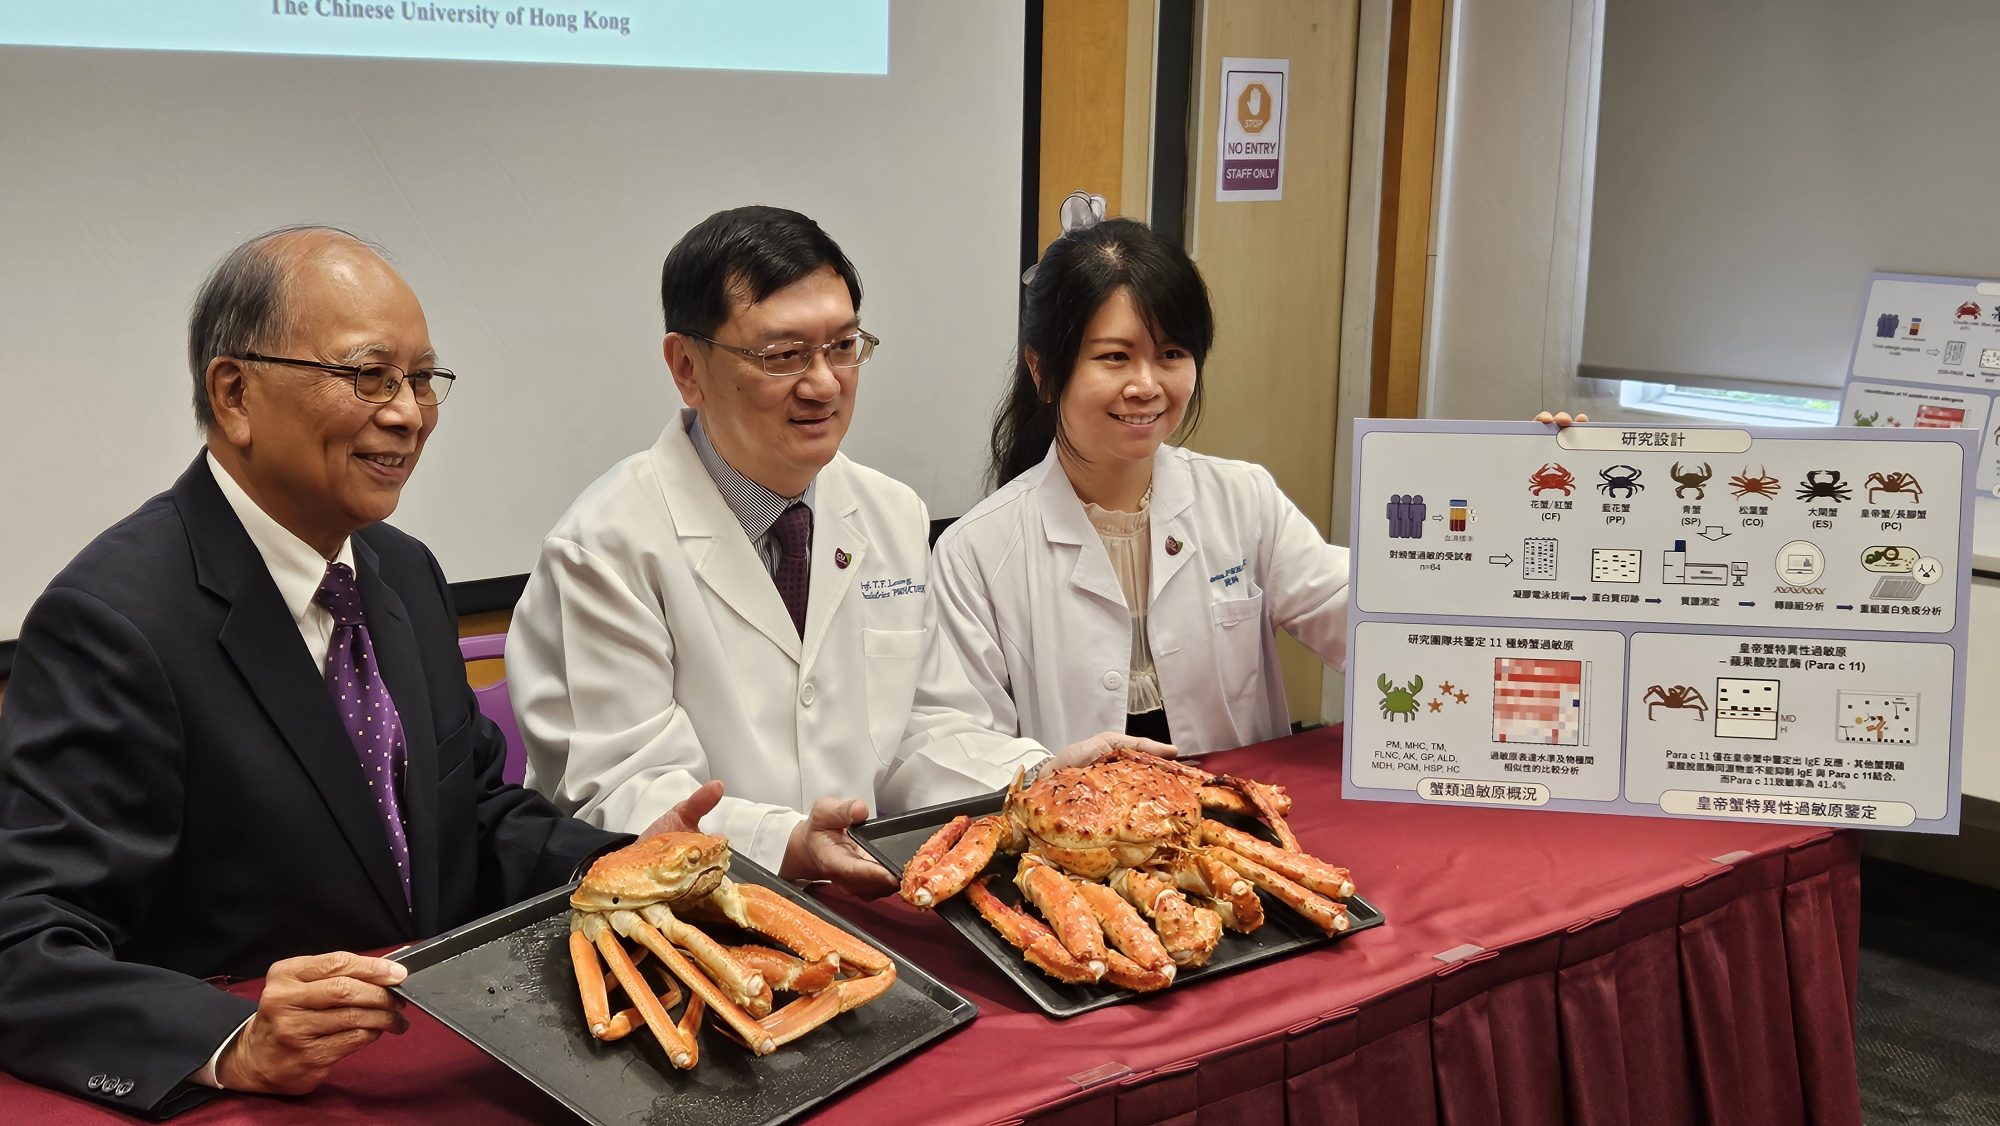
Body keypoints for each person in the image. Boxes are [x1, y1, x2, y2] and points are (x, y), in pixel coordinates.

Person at [0, 226, 716, 1116]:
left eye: (422, 380)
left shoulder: (400, 571)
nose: (408, 413)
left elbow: (474, 823)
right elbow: (26, 945)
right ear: (235, 394)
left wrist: (620, 864)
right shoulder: (113, 623)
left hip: (448, 1062)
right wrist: (232, 1041)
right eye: (369, 375)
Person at [508, 206, 1159, 896]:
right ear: (686, 367)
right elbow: (620, 790)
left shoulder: (889, 513)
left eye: (843, 346)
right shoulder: (605, 546)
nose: (823, 384)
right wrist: (783, 842)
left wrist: (1040, 774)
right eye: (783, 355)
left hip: (862, 905)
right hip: (684, 918)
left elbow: (916, 731)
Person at [931, 215, 1585, 755]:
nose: (1147, 385)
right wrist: (1049, 769)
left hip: (1234, 847)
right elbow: (950, 744)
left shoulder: (1242, 500)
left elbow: (1375, 616)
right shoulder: (977, 552)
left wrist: (1524, 515)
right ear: (1044, 371)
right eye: (1114, 357)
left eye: (1171, 354)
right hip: (1075, 851)